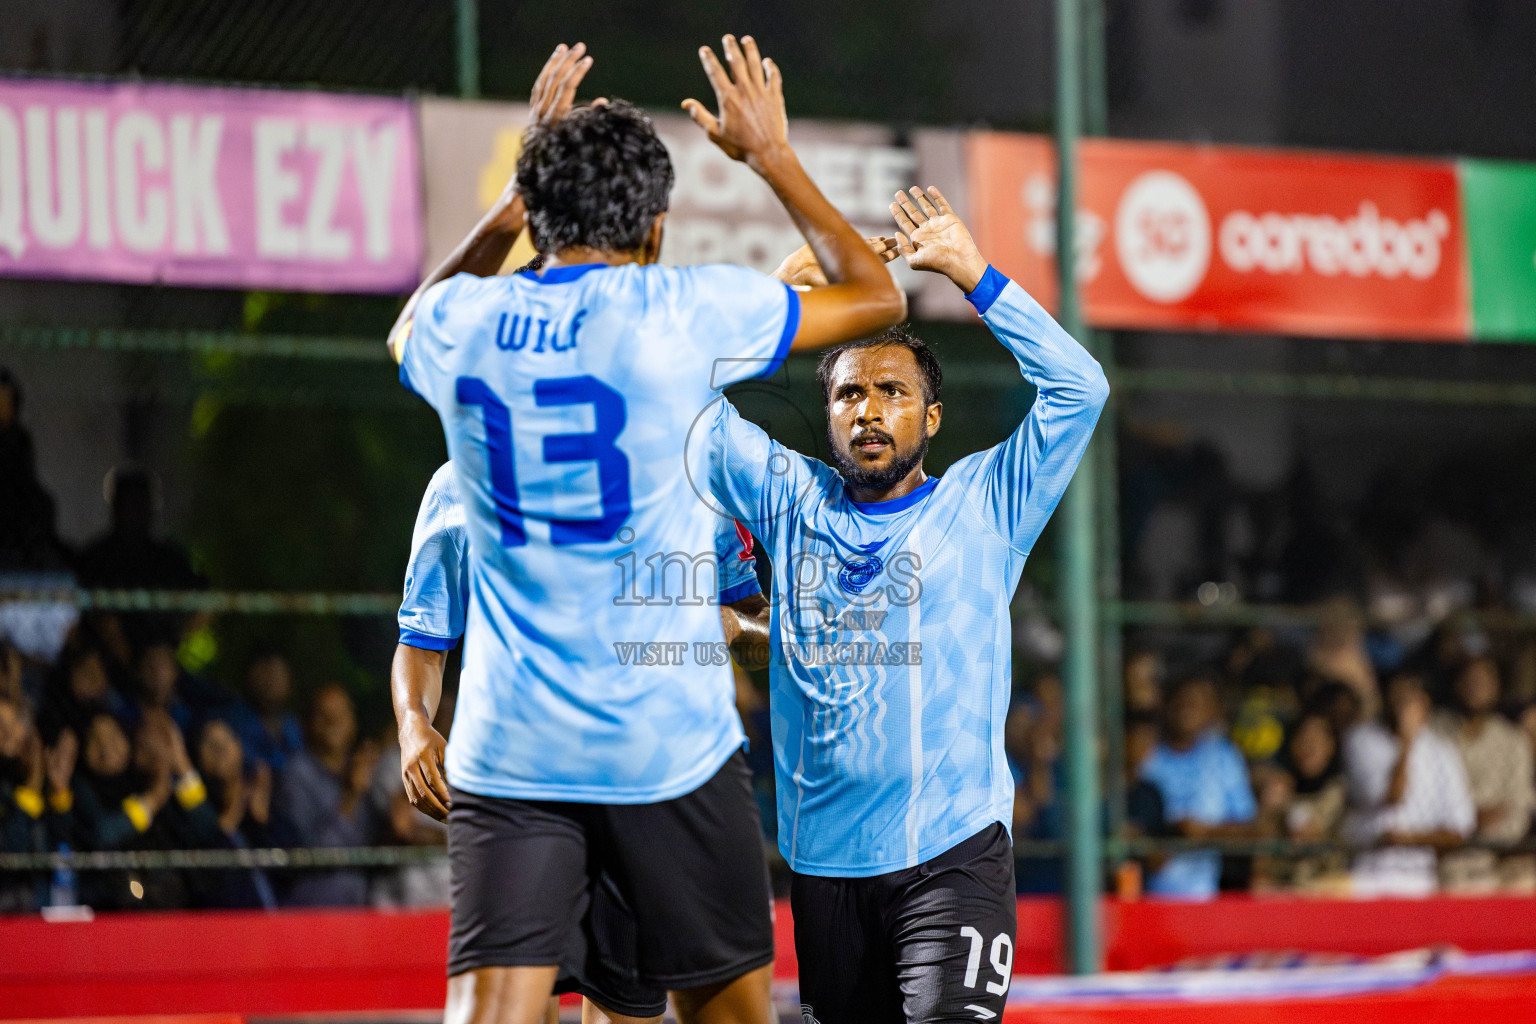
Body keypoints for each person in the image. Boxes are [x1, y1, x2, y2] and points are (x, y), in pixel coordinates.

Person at [386, 35, 904, 1024]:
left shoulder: (463, 329)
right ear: (657, 230)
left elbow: (411, 323)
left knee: (491, 1012)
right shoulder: (683, 311)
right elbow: (875, 293)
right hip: (665, 747)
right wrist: (772, 159)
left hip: (510, 749)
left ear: (537, 221)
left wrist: (511, 205)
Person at [701, 185, 1107, 1022]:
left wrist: (973, 273)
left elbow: (1079, 390)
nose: (869, 410)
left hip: (950, 858)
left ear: (932, 414)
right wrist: (778, 301)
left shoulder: (988, 500)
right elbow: (680, 410)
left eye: (891, 391)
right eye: (849, 395)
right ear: (827, 418)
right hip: (823, 868)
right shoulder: (791, 500)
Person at [393, 460, 769, 1016]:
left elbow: (760, 630)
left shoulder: (688, 475)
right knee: (503, 1006)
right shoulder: (462, 480)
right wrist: (412, 723)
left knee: (627, 1008)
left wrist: (734, 626)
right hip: (519, 789)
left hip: (651, 789)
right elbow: (423, 637)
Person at [1343, 672, 1475, 897]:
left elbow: (1460, 829)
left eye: (1410, 699)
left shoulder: (1443, 752)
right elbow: (1393, 796)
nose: (1402, 707)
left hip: (1420, 876)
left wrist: (1409, 840)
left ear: (1426, 704)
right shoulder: (1361, 739)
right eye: (1397, 698)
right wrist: (1406, 742)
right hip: (1366, 874)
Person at [1137, 674, 1258, 899]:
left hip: (1205, 899)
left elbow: (1250, 826)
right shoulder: (1145, 753)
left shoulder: (1223, 757)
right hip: (1143, 898)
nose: (1187, 708)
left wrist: (1205, 833)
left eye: (1197, 702)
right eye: (1181, 700)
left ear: (1212, 711)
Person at [270, 684, 381, 907]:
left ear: (353, 722)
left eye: (341, 714)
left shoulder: (361, 769)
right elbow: (314, 855)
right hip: (315, 911)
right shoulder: (296, 774)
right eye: (324, 715)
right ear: (307, 723)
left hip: (361, 911)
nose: (334, 722)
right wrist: (350, 797)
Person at [1433, 656, 1535, 845]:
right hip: (1440, 847)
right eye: (1471, 679)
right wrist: (1469, 820)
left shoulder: (1513, 741)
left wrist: (1483, 828)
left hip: (1496, 852)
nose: (1477, 687)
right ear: (1457, 683)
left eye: (1484, 680)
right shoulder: (1433, 734)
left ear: (1497, 687)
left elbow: (1519, 808)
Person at [224, 652, 304, 772]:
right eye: (266, 673)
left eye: (278, 676)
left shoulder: (291, 725)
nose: (271, 682)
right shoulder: (234, 718)